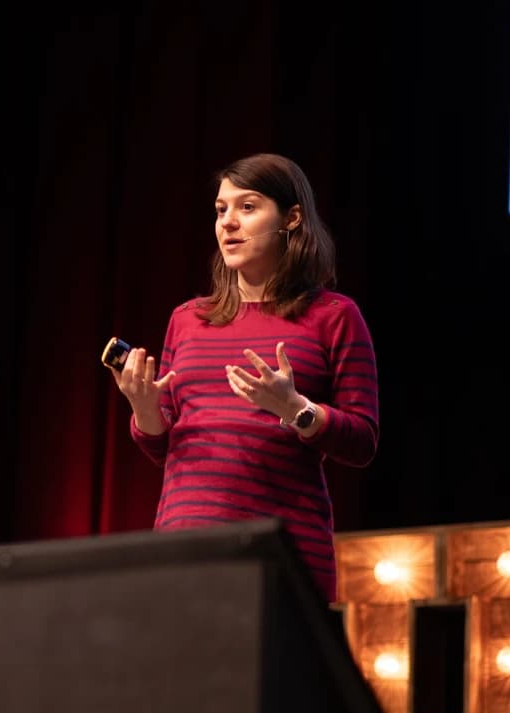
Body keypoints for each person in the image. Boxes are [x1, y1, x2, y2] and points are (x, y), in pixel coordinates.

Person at [108, 152, 378, 603]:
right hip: (184, 547)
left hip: (281, 552)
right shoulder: (188, 319)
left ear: (291, 218)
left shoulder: (335, 317)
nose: (228, 222)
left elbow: (363, 441)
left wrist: (297, 410)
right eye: (221, 210)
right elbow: (163, 444)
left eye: (247, 207)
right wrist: (144, 408)